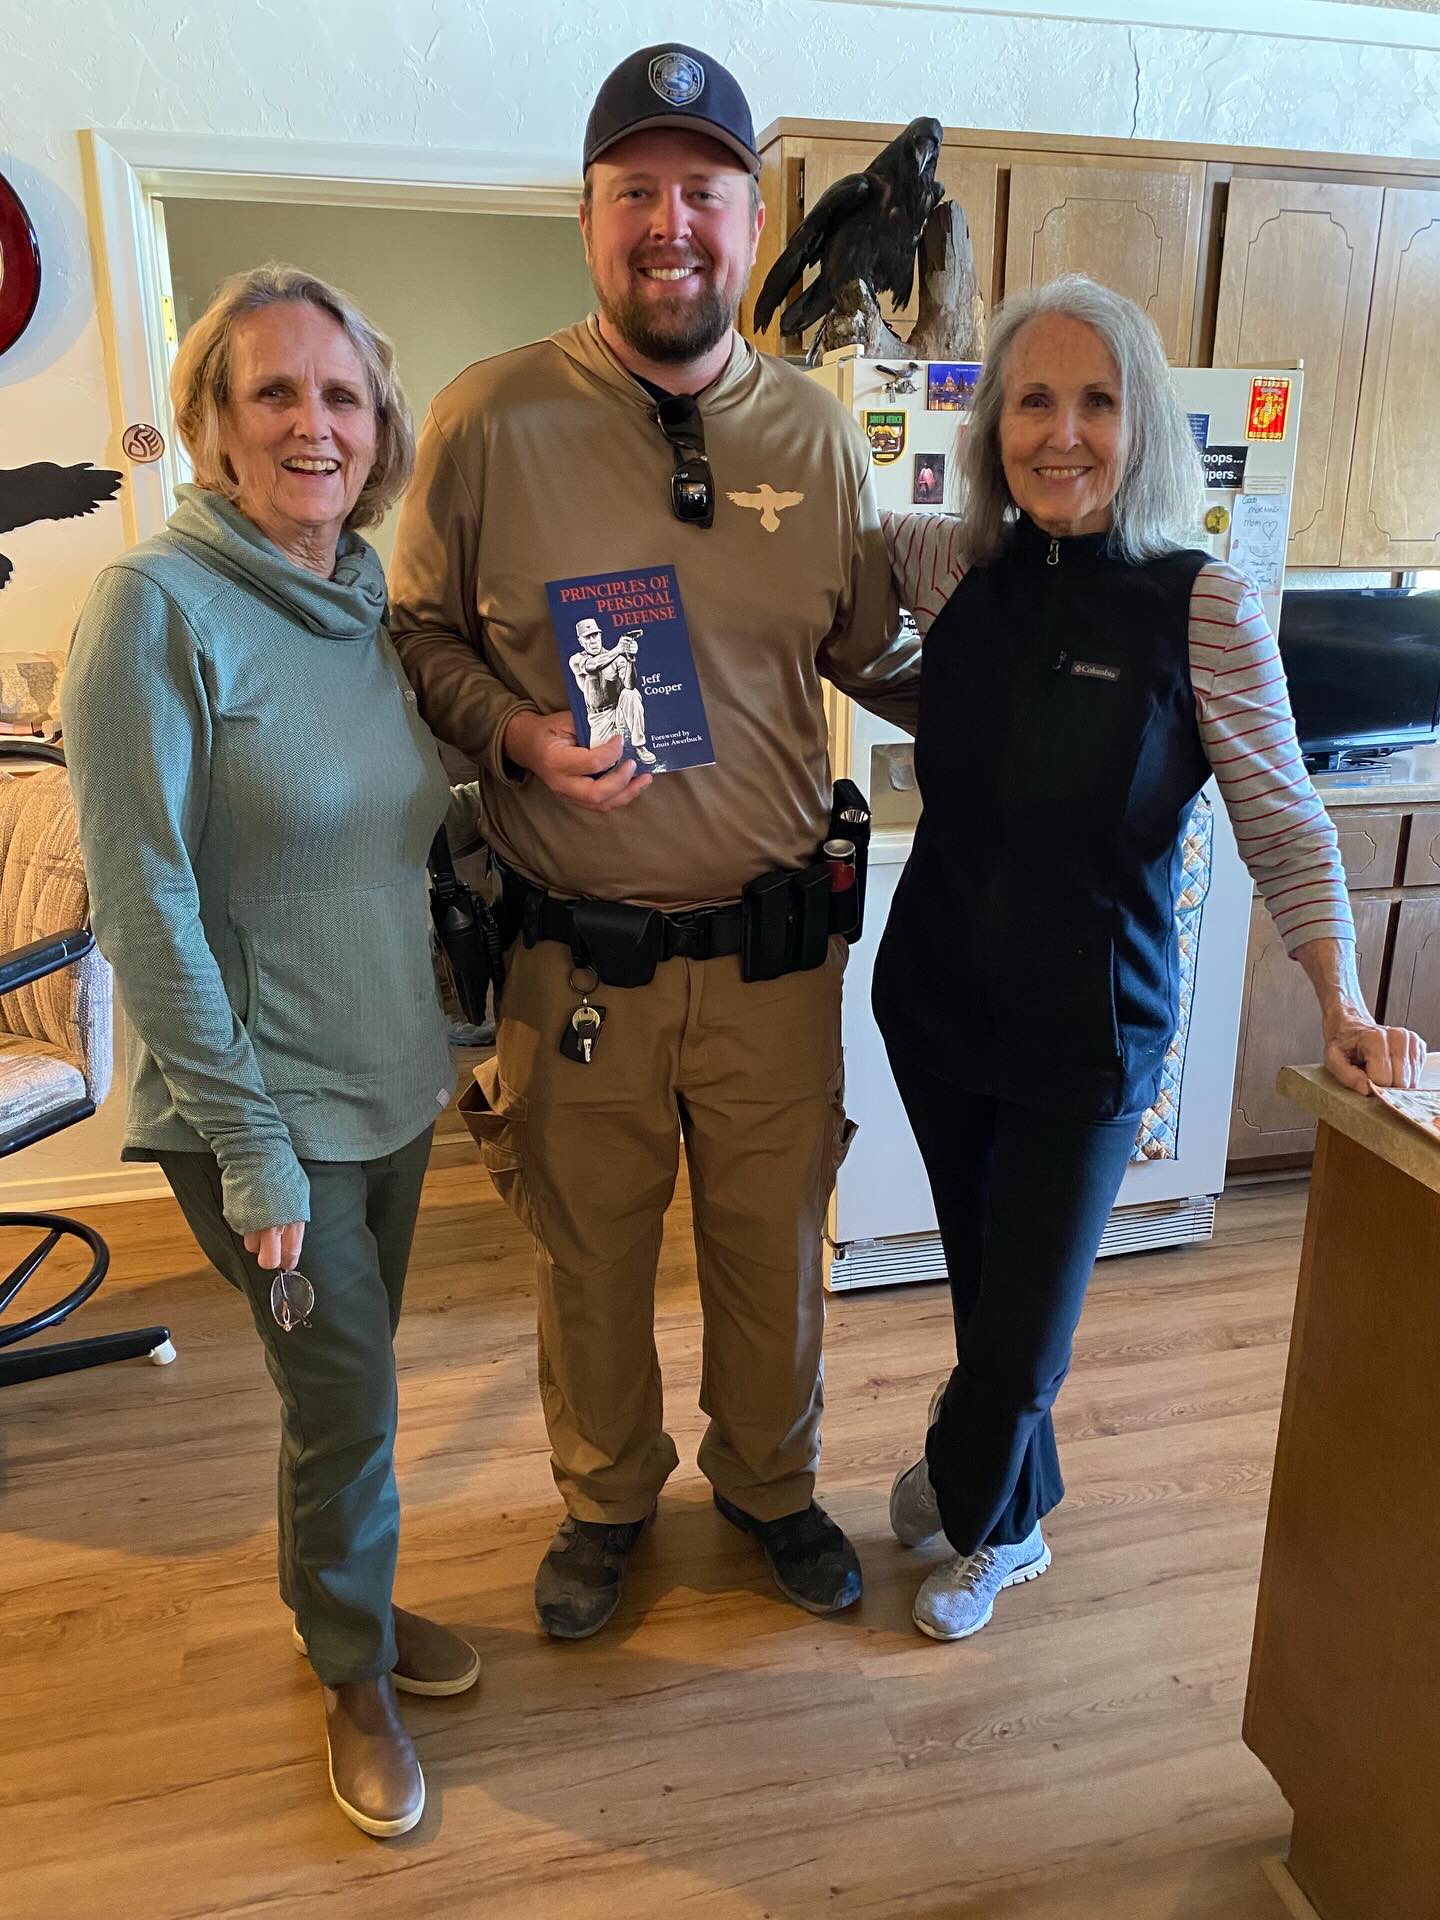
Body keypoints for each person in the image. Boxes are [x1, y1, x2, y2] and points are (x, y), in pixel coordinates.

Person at [388, 43, 919, 1640]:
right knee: (589, 1257)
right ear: (588, 219)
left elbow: (873, 652)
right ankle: (607, 1502)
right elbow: (416, 637)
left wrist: (1064, 635)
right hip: (575, 958)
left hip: (774, 959)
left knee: (776, 1252)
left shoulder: (815, 433)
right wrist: (517, 734)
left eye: (704, 191)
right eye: (636, 192)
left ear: (752, 223)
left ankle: (769, 1483)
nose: (670, 224)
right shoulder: (489, 418)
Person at [877, 273, 1427, 1644]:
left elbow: (1283, 815)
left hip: (1091, 1033)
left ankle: (977, 1493)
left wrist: (1342, 1000)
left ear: (1145, 429)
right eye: (1032, 401)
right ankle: (1008, 1501)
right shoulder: (946, 567)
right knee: (984, 1277)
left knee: (1024, 1330)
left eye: (1098, 401)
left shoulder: (1205, 607)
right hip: (934, 1006)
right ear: (993, 429)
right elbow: (824, 599)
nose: (1062, 433)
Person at [61, 265, 480, 1839]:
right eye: (275, 392)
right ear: (211, 427)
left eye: (342, 395)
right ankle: (351, 1672)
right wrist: (248, 1143)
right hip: (263, 1114)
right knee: (346, 1401)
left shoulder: (361, 605)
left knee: (350, 1394)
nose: (315, 423)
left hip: (390, 1082)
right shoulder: (154, 608)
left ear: (378, 429)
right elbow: (143, 901)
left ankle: (342, 1609)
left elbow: (382, 830)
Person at [570, 618, 654, 763]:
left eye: (595, 635)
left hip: (620, 711)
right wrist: (619, 649)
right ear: (580, 641)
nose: (593, 641)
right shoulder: (576, 660)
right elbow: (593, 666)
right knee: (599, 762)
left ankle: (639, 745)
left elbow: (630, 685)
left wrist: (630, 659)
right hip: (599, 718)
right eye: (588, 637)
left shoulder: (617, 659)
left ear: (600, 635)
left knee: (631, 693)